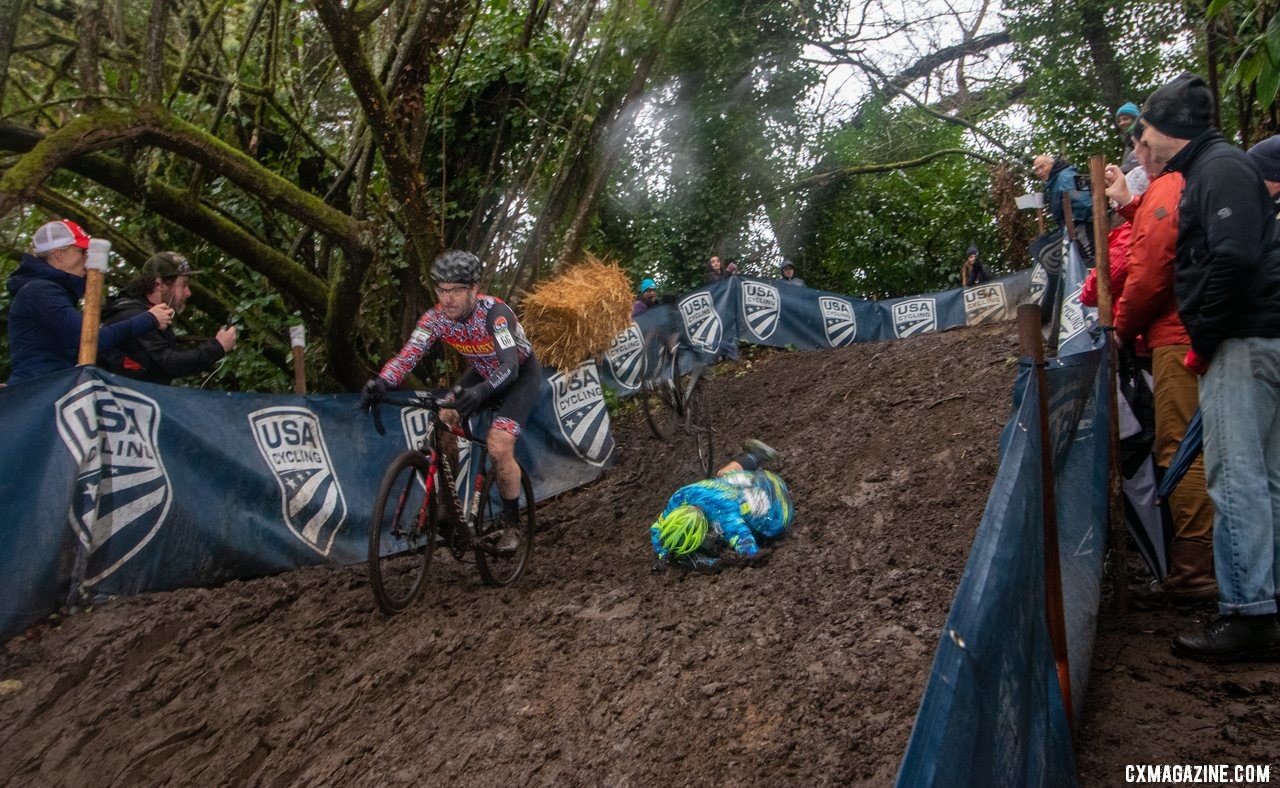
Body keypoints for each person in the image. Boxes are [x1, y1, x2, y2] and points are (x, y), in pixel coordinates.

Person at [1136, 72, 1280, 661]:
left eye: (1144, 134)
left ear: (1172, 130)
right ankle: (1265, 602)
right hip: (1252, 335)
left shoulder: (1219, 168)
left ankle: (1246, 610)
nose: (1139, 147)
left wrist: (1208, 333)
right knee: (1264, 476)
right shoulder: (1211, 169)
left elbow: (1235, 258)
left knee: (1236, 473)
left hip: (1242, 339)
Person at [361, 249, 542, 555]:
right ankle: (449, 510)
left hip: (518, 376)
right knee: (442, 420)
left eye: (456, 290)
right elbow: (408, 356)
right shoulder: (435, 319)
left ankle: (513, 526)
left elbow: (509, 367)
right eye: (442, 291)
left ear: (474, 288)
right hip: (481, 373)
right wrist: (382, 381)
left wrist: (482, 392)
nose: (447, 299)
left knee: (498, 446)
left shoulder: (495, 315)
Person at [1104, 120, 1218, 605]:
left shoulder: (1172, 183)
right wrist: (1130, 203)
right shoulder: (1190, 179)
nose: (1139, 156)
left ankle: (1196, 573)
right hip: (1189, 329)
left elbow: (1150, 270)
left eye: (1141, 147)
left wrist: (1120, 327)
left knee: (1182, 447)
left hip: (1176, 334)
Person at [6, 220, 173, 385]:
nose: (88, 257)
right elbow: (88, 339)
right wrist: (148, 319)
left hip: (48, 389)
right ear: (59, 255)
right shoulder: (40, 291)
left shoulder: (51, 291)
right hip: (39, 392)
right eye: (82, 251)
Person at [650, 440, 793, 571]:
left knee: (751, 533)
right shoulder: (680, 496)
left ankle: (757, 457)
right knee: (722, 474)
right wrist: (662, 554)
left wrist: (721, 562)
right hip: (749, 483)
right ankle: (756, 455)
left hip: (779, 508)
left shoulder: (727, 518)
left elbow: (751, 552)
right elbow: (656, 528)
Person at [99, 252, 236, 385]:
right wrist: (218, 347)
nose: (188, 293)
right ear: (159, 285)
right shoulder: (134, 317)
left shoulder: (147, 313)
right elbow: (169, 364)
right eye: (183, 285)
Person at [1033, 154, 1094, 256]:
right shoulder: (1058, 180)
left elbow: (1085, 203)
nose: (1039, 172)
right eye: (1036, 169)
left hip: (1085, 228)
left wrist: (1075, 224)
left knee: (1090, 261)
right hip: (1078, 229)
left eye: (1042, 167)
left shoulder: (1065, 177)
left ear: (1052, 164)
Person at [1115, 101, 1141, 173]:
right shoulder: (1128, 139)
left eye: (1125, 119)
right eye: (1119, 121)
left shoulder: (1141, 136)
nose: (1121, 123)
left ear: (1135, 119)